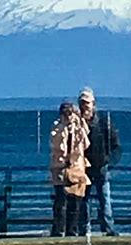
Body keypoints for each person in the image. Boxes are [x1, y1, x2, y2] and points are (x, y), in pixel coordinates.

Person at [78, 87, 122, 236]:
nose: (84, 106)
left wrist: (108, 161)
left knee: (105, 200)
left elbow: (115, 144)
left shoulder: (104, 122)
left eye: (87, 103)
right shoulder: (76, 124)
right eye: (82, 103)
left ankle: (108, 229)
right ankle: (84, 230)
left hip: (101, 167)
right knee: (83, 201)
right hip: (82, 169)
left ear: (93, 104)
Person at [49, 101, 91, 237]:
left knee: (75, 201)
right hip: (60, 169)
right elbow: (56, 144)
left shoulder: (79, 128)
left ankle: (72, 230)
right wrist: (64, 128)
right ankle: (59, 230)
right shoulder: (57, 129)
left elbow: (85, 144)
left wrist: (79, 123)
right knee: (61, 201)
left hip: (76, 168)